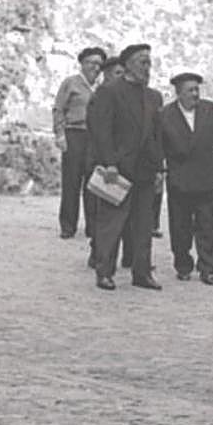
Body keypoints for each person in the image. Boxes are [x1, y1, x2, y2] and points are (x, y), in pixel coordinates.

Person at [87, 43, 165, 291]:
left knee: (143, 225)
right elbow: (101, 130)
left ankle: (142, 272)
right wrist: (108, 162)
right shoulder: (109, 92)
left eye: (149, 62)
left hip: (145, 169)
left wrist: (159, 169)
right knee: (111, 223)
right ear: (128, 65)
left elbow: (157, 136)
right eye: (143, 62)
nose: (147, 67)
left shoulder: (154, 97)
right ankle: (104, 272)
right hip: (118, 169)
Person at [160, 72, 213, 285]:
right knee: (180, 226)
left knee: (207, 225)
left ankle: (208, 268)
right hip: (179, 179)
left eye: (197, 89)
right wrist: (159, 170)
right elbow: (159, 146)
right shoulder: (165, 115)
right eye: (190, 90)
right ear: (179, 93)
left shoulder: (209, 110)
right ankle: (183, 265)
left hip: (206, 177)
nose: (195, 94)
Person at [53, 46, 106, 239]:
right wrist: (60, 134)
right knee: (71, 182)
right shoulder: (71, 83)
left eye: (99, 64)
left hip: (95, 138)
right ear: (82, 63)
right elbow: (59, 109)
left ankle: (93, 227)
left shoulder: (102, 88)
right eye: (91, 63)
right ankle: (68, 226)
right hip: (74, 134)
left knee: (93, 184)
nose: (95, 67)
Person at [85, 54, 122, 270]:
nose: (122, 77)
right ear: (107, 75)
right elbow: (99, 133)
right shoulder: (100, 97)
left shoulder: (124, 96)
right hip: (100, 160)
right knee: (103, 211)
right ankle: (98, 253)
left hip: (119, 160)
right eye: (117, 73)